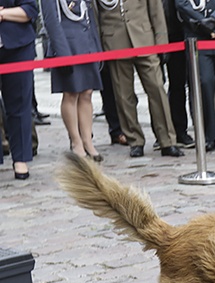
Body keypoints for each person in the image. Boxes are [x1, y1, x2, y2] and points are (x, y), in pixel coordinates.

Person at [97, 0, 184, 158]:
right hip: (114, 40)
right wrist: (98, 46)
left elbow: (156, 9)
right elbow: (97, 13)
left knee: (157, 89)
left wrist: (162, 41)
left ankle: (167, 140)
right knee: (124, 96)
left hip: (145, 38)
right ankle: (135, 140)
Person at [41, 0, 104, 161]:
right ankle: (76, 141)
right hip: (67, 46)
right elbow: (51, 21)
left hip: (86, 43)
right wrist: (62, 54)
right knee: (72, 93)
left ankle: (87, 141)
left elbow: (89, 14)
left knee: (87, 93)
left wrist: (97, 48)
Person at [176, 0, 215, 152]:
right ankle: (208, 135)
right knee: (204, 83)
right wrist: (201, 23)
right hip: (197, 34)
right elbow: (182, 3)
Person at [0, 0, 38, 179]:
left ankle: (20, 159)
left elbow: (29, 9)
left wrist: (2, 14)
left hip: (18, 47)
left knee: (20, 103)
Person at [162, 0, 195, 148]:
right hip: (164, 32)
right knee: (166, 85)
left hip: (185, 30)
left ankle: (183, 128)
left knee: (185, 83)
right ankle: (167, 130)